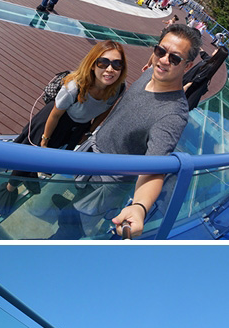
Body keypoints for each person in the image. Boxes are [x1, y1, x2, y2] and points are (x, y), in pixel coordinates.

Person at [67, 24, 199, 238]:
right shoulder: (150, 75)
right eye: (160, 51)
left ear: (187, 65)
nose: (164, 60)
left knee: (73, 228)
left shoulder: (173, 115)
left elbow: (155, 167)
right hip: (90, 153)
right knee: (70, 200)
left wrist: (139, 206)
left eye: (174, 58)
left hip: (108, 181)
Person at [0, 41, 128, 214]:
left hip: (79, 126)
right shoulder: (75, 86)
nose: (110, 69)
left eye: (117, 64)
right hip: (54, 121)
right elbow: (55, 114)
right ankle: (9, 188)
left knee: (52, 159)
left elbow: (105, 111)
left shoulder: (118, 88)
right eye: (103, 63)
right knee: (32, 154)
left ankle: (31, 177)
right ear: (92, 64)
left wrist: (89, 130)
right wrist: (44, 140)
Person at [182, 35, 229, 110]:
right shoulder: (211, 60)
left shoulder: (210, 66)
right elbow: (204, 55)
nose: (214, 50)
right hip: (187, 80)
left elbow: (198, 79)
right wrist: (198, 46)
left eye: (217, 50)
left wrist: (186, 86)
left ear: (219, 54)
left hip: (188, 85)